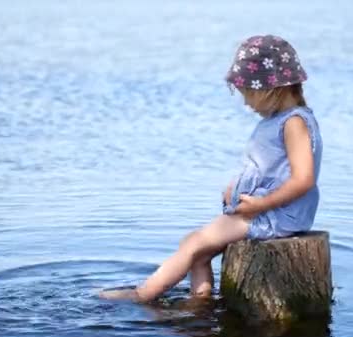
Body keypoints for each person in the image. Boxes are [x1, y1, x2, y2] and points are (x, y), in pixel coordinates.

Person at [100, 34, 323, 302]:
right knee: (197, 250)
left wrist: (260, 206)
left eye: (248, 94)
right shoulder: (281, 119)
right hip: (265, 210)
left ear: (271, 88)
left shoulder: (294, 123)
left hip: (274, 215)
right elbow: (270, 168)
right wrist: (237, 187)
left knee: (194, 244)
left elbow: (303, 179)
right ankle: (200, 304)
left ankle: (144, 294)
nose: (246, 103)